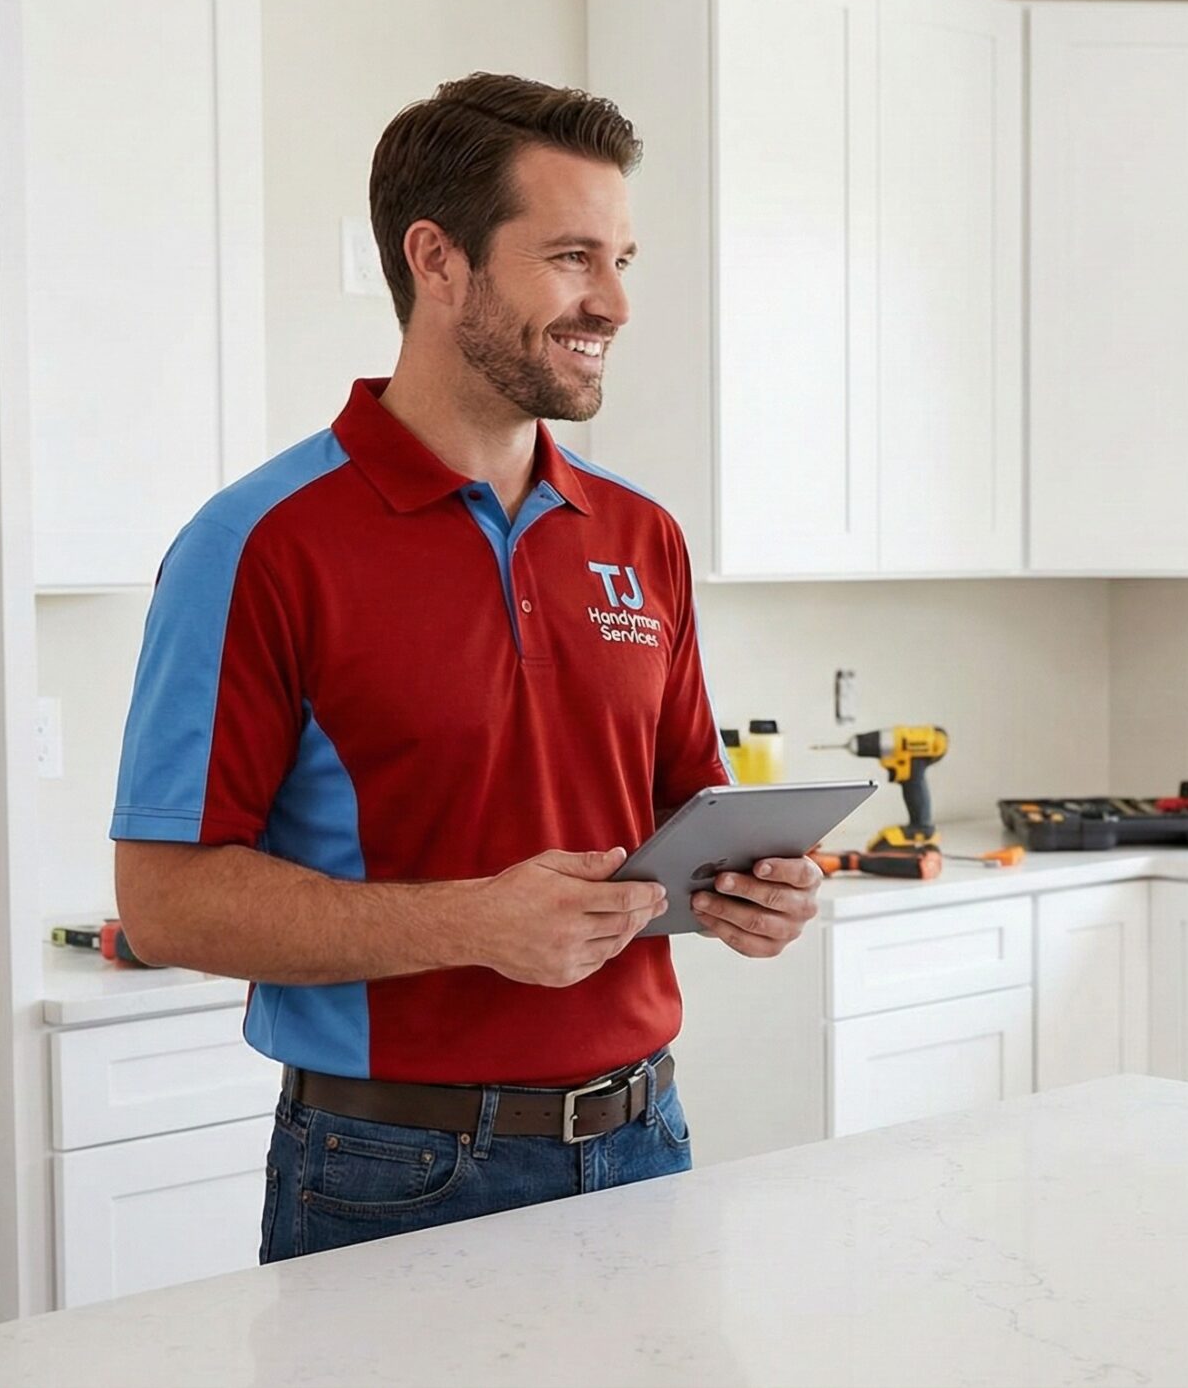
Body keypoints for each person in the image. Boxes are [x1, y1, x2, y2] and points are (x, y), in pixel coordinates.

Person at [109, 74, 822, 1261]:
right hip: (394, 1171)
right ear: (437, 260)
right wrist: (477, 922)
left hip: (648, 1141)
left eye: (624, 259)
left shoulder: (640, 536)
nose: (614, 302)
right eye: (571, 256)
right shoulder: (260, 543)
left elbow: (684, 817)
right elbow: (164, 899)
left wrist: (756, 888)